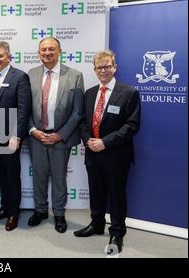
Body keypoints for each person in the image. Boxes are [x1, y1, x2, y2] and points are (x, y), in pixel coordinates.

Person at [75, 50, 140, 254]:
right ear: (94, 70)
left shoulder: (129, 92)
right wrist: (88, 141)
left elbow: (132, 125)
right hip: (92, 152)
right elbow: (83, 121)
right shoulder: (90, 93)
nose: (103, 71)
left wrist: (105, 142)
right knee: (96, 192)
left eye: (107, 66)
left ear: (114, 67)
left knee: (116, 195)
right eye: (99, 67)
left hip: (115, 154)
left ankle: (117, 233)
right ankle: (96, 224)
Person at [27, 37, 84, 233]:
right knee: (39, 177)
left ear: (60, 51)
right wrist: (33, 131)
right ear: (38, 53)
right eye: (43, 50)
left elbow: (78, 112)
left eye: (51, 49)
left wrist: (60, 134)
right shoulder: (32, 74)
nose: (47, 53)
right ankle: (41, 210)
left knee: (59, 178)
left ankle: (59, 214)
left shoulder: (75, 75)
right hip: (37, 137)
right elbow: (25, 108)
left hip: (61, 137)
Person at [0, 41, 32, 231]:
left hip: (10, 136)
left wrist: (17, 136)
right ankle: (5, 208)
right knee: (1, 175)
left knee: (12, 175)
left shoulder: (19, 77)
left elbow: (23, 109)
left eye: (0, 56)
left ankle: (14, 213)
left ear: (9, 57)